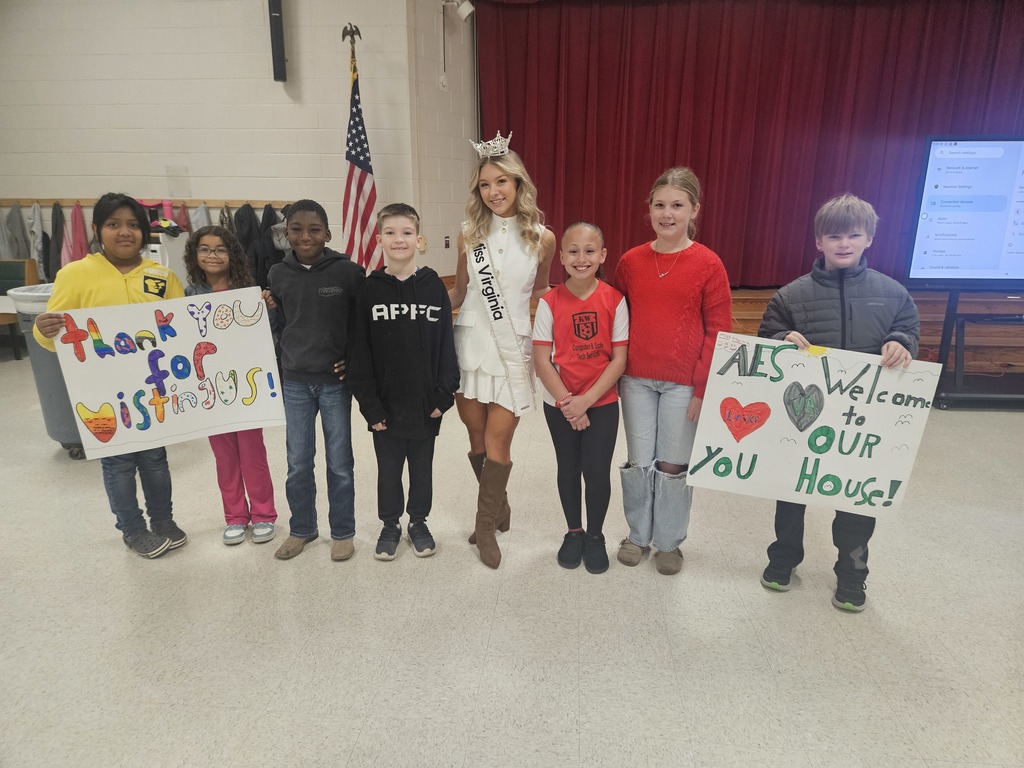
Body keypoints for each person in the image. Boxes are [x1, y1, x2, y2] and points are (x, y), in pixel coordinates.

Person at [758, 193, 919, 612]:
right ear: (818, 241)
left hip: (861, 423)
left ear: (869, 239)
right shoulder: (792, 296)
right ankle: (783, 559)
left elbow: (907, 330)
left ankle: (852, 574)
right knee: (790, 492)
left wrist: (901, 343)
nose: (844, 243)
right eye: (834, 235)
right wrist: (780, 341)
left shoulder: (893, 293)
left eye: (853, 235)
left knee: (855, 499)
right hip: (804, 416)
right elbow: (768, 336)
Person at [33, 192, 188, 559]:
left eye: (133, 225)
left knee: (155, 459)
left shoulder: (161, 276)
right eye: (114, 224)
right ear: (97, 229)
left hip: (151, 389)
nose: (125, 232)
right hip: (102, 392)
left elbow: (182, 327)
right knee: (118, 462)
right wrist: (44, 328)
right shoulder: (75, 274)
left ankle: (162, 520)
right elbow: (51, 337)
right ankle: (132, 529)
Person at [612, 167, 732, 575]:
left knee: (673, 465)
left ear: (694, 210)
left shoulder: (708, 264)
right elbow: (617, 318)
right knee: (639, 460)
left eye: (677, 206)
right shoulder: (631, 261)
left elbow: (718, 330)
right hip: (636, 379)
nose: (667, 214)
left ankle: (668, 541)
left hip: (684, 384)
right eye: (659, 205)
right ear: (648, 210)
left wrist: (703, 388)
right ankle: (637, 535)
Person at [449, 132, 556, 569]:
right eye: (485, 184)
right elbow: (457, 292)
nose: (493, 192)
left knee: (499, 437)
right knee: (475, 433)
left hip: (512, 347)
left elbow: (545, 291)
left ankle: (485, 527)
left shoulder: (542, 238)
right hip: (469, 343)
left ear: (518, 184)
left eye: (501, 182)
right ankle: (499, 508)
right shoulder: (467, 234)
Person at [348, 203, 459, 560]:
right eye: (391, 233)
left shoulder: (433, 287)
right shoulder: (368, 290)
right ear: (379, 239)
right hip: (386, 405)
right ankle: (390, 523)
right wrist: (370, 406)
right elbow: (359, 352)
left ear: (419, 239)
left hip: (427, 402)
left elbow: (446, 343)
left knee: (422, 467)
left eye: (407, 233)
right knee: (389, 468)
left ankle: (419, 521)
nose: (399, 239)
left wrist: (445, 393)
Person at [265, 199, 364, 561]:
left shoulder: (348, 273)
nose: (305, 236)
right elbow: (278, 328)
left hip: (334, 383)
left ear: (328, 234)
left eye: (314, 229)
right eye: (296, 229)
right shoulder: (277, 275)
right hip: (294, 381)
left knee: (339, 462)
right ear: (285, 233)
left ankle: (342, 531)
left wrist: (352, 361)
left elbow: (361, 326)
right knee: (298, 462)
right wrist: (270, 309)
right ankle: (302, 529)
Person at [533, 222, 629, 574]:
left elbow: (618, 360)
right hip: (559, 403)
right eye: (573, 251)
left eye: (590, 251)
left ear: (603, 255)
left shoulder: (615, 300)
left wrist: (585, 401)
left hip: (600, 403)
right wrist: (568, 403)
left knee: (597, 471)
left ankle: (595, 535)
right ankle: (574, 531)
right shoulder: (549, 302)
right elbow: (542, 361)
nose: (581, 258)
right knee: (568, 468)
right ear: (561, 257)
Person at [183, 225, 279, 546]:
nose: (212, 255)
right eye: (205, 249)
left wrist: (269, 309)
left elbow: (267, 338)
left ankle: (264, 514)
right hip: (210, 390)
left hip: (245, 390)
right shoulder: (187, 296)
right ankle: (235, 515)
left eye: (220, 249)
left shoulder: (248, 292)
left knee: (253, 454)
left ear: (232, 254)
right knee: (224, 456)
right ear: (195, 255)